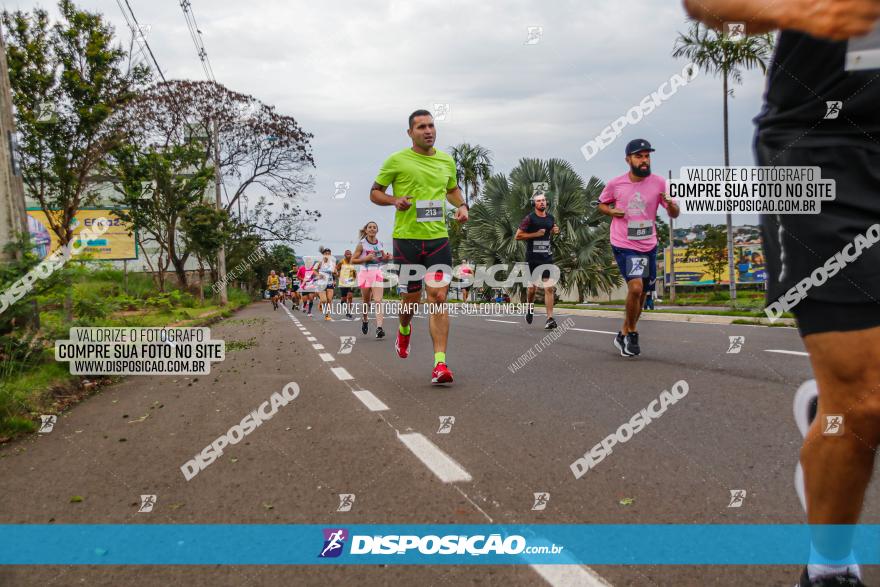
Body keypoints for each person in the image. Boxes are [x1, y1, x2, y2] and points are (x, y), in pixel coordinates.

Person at [684, 3, 880, 585]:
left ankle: (832, 414)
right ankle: (829, 569)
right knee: (865, 401)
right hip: (824, 149)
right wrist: (801, 8)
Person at [370, 109, 468, 383]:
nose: (428, 130)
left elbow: (451, 189)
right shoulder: (397, 160)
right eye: (422, 126)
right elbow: (374, 192)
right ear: (410, 132)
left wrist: (461, 205)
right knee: (410, 301)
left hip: (438, 239)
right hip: (407, 241)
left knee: (437, 297)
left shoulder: (447, 161)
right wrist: (394, 200)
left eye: (431, 125)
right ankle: (403, 329)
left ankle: (440, 365)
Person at [598, 139, 679, 357]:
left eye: (647, 156)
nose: (644, 160)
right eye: (639, 156)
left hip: (648, 244)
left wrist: (671, 205)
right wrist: (612, 212)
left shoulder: (659, 182)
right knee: (635, 288)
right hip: (625, 243)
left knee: (643, 293)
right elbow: (601, 204)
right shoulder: (616, 184)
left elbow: (674, 213)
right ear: (628, 159)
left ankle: (622, 333)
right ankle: (632, 334)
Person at [516, 192, 560, 329]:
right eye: (539, 201)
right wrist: (536, 234)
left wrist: (555, 230)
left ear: (546, 203)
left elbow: (550, 230)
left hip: (546, 258)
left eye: (543, 200)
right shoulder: (529, 219)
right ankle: (530, 308)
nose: (542, 202)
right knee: (531, 290)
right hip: (532, 258)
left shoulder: (551, 218)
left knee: (549, 288)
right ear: (534, 203)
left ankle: (550, 318)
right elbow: (518, 236)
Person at [352, 221, 391, 338]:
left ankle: (379, 328)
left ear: (377, 230)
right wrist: (366, 258)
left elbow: (382, 259)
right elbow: (353, 260)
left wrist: (388, 258)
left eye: (374, 227)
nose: (372, 229)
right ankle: (365, 319)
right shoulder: (361, 244)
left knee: (378, 301)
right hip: (365, 274)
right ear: (366, 230)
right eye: (370, 227)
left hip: (377, 273)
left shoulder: (380, 244)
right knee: (366, 302)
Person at [314, 248, 337, 321]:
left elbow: (335, 272)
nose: (327, 255)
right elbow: (314, 270)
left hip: (330, 282)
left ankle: (327, 315)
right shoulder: (319, 262)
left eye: (329, 253)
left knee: (329, 300)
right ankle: (321, 301)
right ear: (323, 255)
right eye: (326, 253)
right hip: (321, 283)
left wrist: (335, 276)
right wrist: (318, 275)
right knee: (324, 300)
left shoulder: (332, 263)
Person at [336, 250, 357, 320]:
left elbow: (354, 272)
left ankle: (349, 312)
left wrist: (355, 279)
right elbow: (336, 269)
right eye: (348, 254)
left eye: (350, 254)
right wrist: (339, 275)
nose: (349, 255)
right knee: (344, 299)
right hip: (343, 282)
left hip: (351, 282)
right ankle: (343, 302)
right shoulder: (342, 262)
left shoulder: (353, 262)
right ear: (345, 255)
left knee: (350, 297)